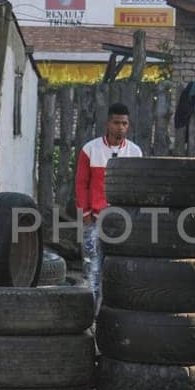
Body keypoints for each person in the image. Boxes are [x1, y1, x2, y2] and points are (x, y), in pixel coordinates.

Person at [74, 103, 142, 306]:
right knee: (92, 270)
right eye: (116, 123)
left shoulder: (135, 152)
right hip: (95, 219)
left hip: (124, 221)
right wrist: (85, 214)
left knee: (122, 269)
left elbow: (138, 186)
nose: (120, 127)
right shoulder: (90, 149)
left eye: (124, 123)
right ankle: (90, 318)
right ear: (107, 123)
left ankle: (117, 314)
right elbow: (80, 183)